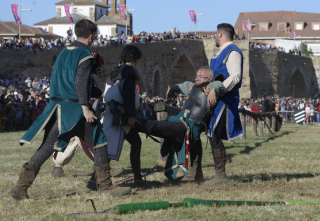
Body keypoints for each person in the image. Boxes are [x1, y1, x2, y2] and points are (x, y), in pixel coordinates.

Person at [10, 19, 130, 200]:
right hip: (75, 110)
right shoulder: (85, 55)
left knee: (47, 148)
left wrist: (95, 92)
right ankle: (105, 186)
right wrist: (85, 108)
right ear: (92, 36)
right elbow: (80, 82)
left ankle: (20, 188)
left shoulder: (63, 53)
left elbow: (69, 81)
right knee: (99, 142)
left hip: (57, 107)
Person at [131, 66, 225, 182]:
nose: (197, 78)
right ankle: (196, 172)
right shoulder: (193, 86)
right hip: (182, 120)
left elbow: (219, 86)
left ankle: (139, 123)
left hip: (191, 126)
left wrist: (213, 90)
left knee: (155, 126)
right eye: (196, 75)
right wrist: (172, 90)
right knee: (167, 124)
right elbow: (182, 86)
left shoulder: (212, 86)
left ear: (209, 78)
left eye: (200, 76)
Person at [100, 45, 144, 188]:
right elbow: (128, 95)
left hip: (112, 111)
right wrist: (130, 116)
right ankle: (95, 180)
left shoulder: (115, 71)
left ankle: (138, 179)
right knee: (109, 149)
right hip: (121, 114)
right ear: (134, 59)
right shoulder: (128, 72)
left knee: (135, 143)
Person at [207, 23, 243, 185]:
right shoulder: (219, 54)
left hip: (225, 100)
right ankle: (217, 173)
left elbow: (235, 77)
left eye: (216, 34)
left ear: (220, 34)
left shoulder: (233, 52)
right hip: (216, 100)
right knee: (212, 134)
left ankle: (220, 175)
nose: (214, 36)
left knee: (215, 134)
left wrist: (218, 88)